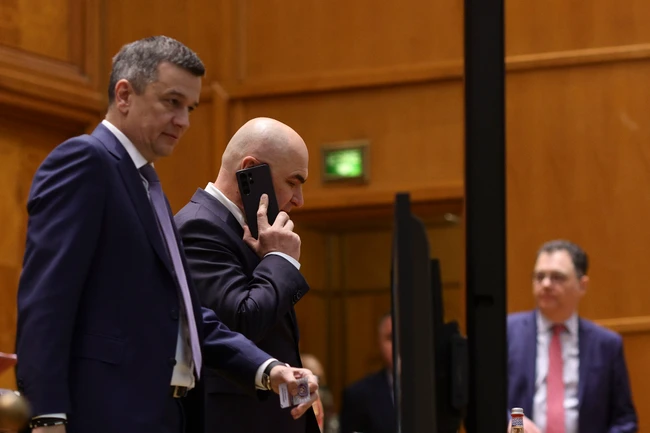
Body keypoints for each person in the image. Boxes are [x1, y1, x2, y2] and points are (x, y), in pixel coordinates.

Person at [15, 36, 317, 433]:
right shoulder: (85, 160)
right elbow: (46, 299)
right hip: (103, 412)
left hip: (161, 415)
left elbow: (185, 314)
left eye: (189, 108)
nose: (183, 121)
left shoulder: (149, 185)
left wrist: (267, 369)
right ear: (124, 95)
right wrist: (47, 415)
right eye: (171, 102)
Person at [174, 117, 319, 433]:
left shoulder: (251, 230)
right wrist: (280, 259)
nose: (299, 199)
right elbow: (240, 323)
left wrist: (298, 387)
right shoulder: (198, 227)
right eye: (293, 182)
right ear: (251, 171)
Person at [507, 240, 637, 433]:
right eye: (539, 276)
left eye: (557, 277)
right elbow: (483, 399)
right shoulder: (507, 333)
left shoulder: (606, 344)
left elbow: (625, 420)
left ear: (582, 285)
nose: (546, 284)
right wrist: (515, 423)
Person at [339, 313, 396, 433]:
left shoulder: (433, 389)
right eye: (391, 338)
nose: (398, 345)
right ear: (379, 343)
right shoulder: (358, 395)